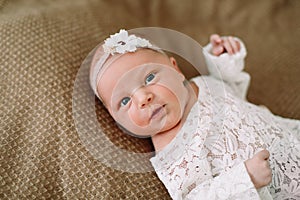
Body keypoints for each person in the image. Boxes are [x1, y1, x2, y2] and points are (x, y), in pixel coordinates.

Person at [89, 29, 300, 199]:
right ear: (117, 120)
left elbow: (233, 91)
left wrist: (223, 60)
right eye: (125, 101)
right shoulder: (172, 152)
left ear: (176, 69)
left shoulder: (203, 84)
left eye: (149, 78)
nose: (143, 98)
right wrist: (245, 179)